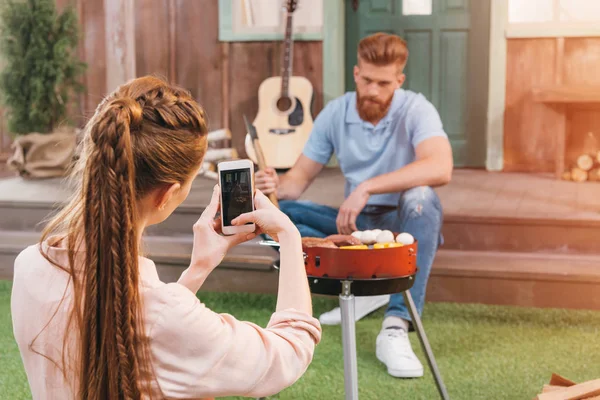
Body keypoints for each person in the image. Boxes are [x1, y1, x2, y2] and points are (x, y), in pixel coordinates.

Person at [10, 76, 321, 399]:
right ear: (167, 194)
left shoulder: (30, 265)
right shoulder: (163, 314)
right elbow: (290, 350)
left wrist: (197, 270)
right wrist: (288, 234)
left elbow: (139, 337)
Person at [255, 33, 452, 379]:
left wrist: (366, 187)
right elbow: (295, 183)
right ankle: (367, 283)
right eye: (368, 80)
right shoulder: (336, 113)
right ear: (356, 73)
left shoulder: (416, 108)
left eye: (384, 83)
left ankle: (395, 324)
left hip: (402, 226)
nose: (373, 90)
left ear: (399, 81)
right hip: (355, 227)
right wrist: (273, 185)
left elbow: (440, 167)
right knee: (279, 217)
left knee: (422, 198)